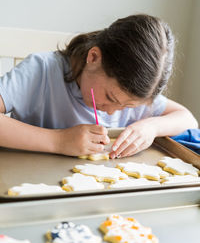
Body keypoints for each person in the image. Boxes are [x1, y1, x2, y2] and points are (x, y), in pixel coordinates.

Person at [0, 14, 198, 159]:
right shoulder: (41, 71)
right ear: (93, 57)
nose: (111, 113)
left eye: (127, 107)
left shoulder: (135, 94)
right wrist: (59, 141)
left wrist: (152, 127)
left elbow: (188, 120)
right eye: (110, 97)